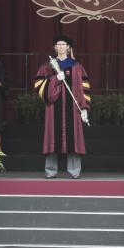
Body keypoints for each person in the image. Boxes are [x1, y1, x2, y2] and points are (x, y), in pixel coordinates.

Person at [34, 35, 90, 179]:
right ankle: (51, 170)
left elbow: (84, 88)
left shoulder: (77, 66)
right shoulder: (48, 66)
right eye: (58, 44)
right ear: (55, 47)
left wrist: (84, 108)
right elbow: (38, 86)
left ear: (68, 47)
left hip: (73, 108)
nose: (60, 47)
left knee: (74, 139)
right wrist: (54, 80)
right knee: (53, 138)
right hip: (54, 109)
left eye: (63, 44)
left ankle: (74, 170)